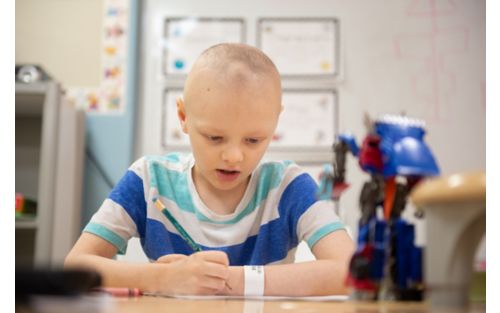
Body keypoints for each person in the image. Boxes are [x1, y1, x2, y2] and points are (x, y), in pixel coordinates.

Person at [64, 43, 355, 296]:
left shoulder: (289, 187)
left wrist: (228, 280)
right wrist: (164, 279)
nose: (233, 156)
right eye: (214, 137)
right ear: (183, 117)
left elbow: (351, 272)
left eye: (254, 140)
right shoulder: (148, 180)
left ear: (274, 122)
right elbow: (76, 265)